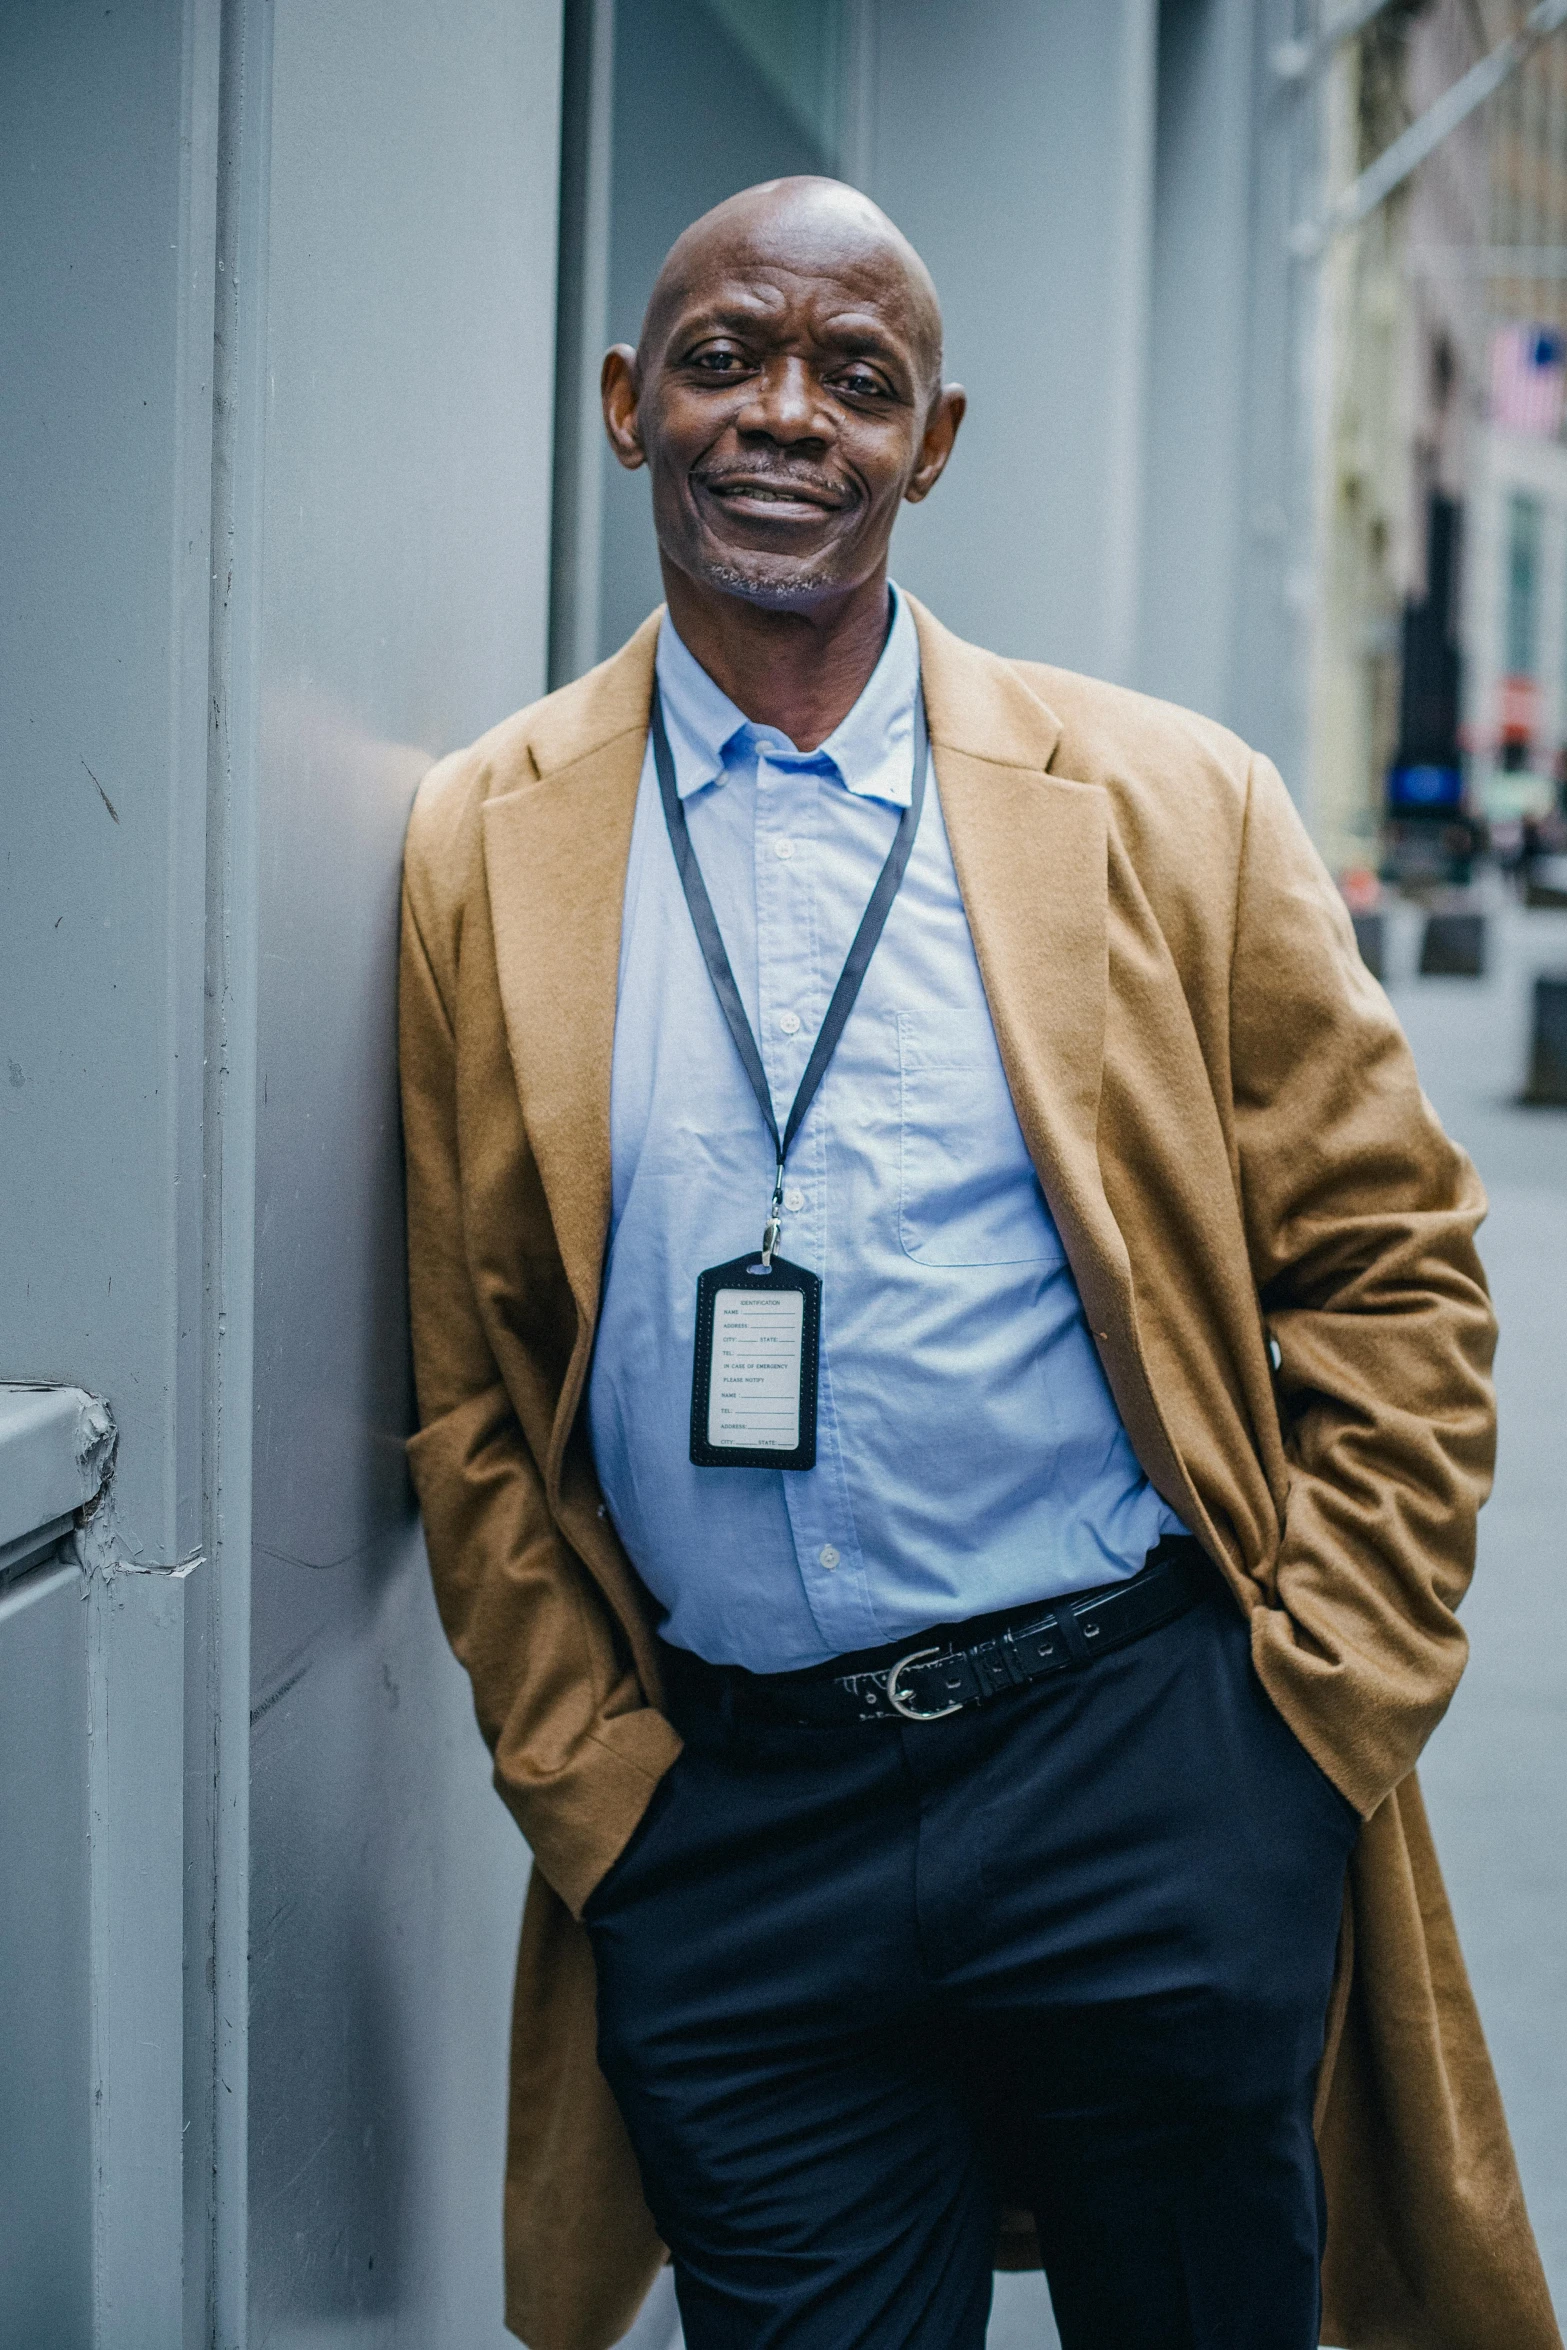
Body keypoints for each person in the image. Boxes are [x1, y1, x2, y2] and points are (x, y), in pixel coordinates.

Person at [399, 178, 1558, 2350]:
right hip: (731, 1821)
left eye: (860, 377)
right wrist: (600, 1797)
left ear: (932, 443)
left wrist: (1301, 1732)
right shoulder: (492, 832)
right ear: (631, 404)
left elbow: (1397, 1266)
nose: (789, 419)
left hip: (1141, 1762)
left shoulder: (1167, 800)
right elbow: (473, 1377)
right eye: (731, 357)